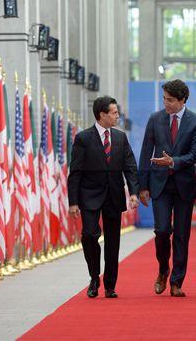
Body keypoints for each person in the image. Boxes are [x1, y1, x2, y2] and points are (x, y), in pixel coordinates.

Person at [138, 79, 196, 297]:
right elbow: (146, 152)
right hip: (159, 185)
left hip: (184, 185)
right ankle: (162, 270)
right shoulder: (155, 119)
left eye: (171, 100)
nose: (166, 103)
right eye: (164, 99)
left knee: (182, 235)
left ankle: (177, 281)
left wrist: (173, 161)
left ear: (182, 100)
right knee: (162, 231)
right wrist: (143, 186)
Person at [68, 96, 139, 298]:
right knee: (90, 235)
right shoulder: (83, 138)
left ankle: (110, 285)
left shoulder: (120, 137)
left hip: (114, 196)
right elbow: (76, 172)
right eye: (114, 113)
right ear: (102, 115)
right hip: (89, 195)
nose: (118, 116)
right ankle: (93, 277)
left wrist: (133, 192)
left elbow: (130, 166)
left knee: (113, 241)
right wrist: (73, 202)